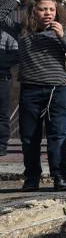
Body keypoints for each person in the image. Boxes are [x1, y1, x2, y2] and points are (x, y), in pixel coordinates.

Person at [0, 0, 66, 191]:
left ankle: (60, 177)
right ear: (33, 11)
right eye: (43, 9)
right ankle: (32, 178)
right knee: (29, 137)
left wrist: (62, 36)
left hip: (57, 92)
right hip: (30, 91)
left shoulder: (61, 31)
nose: (48, 13)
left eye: (52, 9)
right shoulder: (22, 31)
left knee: (58, 136)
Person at [0, 13, 17, 157]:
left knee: (2, 113)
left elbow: (16, 55)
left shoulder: (7, 35)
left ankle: (1, 144)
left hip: (2, 78)